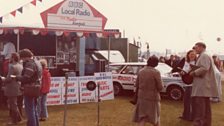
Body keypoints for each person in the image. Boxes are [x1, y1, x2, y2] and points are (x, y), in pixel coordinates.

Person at [189, 42, 219, 126]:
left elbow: (204, 68)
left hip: (202, 86)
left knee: (200, 107)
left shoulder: (204, 55)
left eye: (196, 48)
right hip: (203, 86)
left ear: (201, 47)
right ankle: (206, 123)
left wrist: (194, 72)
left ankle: (199, 123)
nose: (194, 50)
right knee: (206, 108)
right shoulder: (205, 55)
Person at [133, 56, 163, 126]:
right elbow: (160, 87)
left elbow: (137, 84)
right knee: (156, 117)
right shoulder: (156, 72)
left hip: (141, 97)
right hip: (153, 98)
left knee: (142, 118)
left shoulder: (141, 71)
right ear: (156, 63)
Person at [15, 49, 42, 126]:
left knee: (30, 110)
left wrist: (16, 77)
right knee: (34, 109)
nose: (21, 60)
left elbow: (26, 77)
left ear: (25, 57)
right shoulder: (37, 62)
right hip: (36, 88)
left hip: (30, 88)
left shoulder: (30, 64)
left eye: (22, 58)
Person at [172, 50, 197, 121]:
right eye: (190, 54)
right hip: (186, 83)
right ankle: (186, 115)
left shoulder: (196, 63)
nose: (192, 56)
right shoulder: (186, 62)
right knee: (186, 100)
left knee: (190, 101)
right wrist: (181, 72)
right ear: (188, 55)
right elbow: (184, 70)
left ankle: (191, 116)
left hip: (192, 84)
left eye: (193, 54)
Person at [1, 53, 23, 125]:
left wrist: (3, 79)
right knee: (14, 104)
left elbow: (9, 78)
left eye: (10, 57)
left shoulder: (12, 66)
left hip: (11, 88)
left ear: (13, 58)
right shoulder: (20, 66)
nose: (9, 58)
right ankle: (19, 118)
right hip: (17, 87)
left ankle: (14, 120)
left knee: (13, 104)